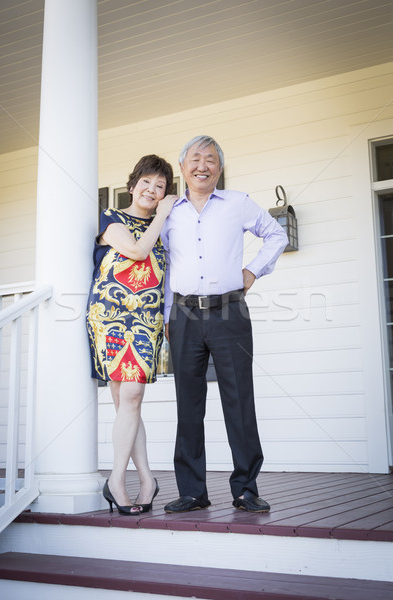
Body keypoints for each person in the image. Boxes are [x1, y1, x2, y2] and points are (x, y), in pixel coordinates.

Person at [161, 136, 288, 514]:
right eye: (195, 159)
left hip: (229, 312)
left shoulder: (238, 203)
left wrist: (252, 271)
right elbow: (166, 265)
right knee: (188, 404)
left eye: (211, 160)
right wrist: (168, 315)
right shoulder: (168, 212)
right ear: (182, 167)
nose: (203, 166)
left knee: (239, 401)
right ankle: (192, 491)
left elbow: (276, 234)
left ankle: (246, 488)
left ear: (219, 167)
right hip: (182, 315)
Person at [86, 155, 177, 515]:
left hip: (147, 317)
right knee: (129, 400)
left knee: (131, 401)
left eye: (160, 187)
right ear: (133, 183)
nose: (152, 190)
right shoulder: (112, 218)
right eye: (147, 182)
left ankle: (141, 480)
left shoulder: (164, 229)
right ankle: (122, 481)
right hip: (110, 315)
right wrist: (162, 215)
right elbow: (137, 252)